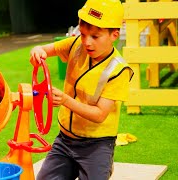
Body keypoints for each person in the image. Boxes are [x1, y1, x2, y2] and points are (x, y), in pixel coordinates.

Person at [29, 0, 134, 179]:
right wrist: (37, 51)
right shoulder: (76, 44)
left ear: (114, 35)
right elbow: (44, 49)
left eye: (95, 36)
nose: (87, 42)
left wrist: (65, 101)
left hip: (97, 144)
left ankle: (102, 163)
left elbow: (100, 114)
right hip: (65, 139)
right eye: (83, 34)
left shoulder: (119, 70)